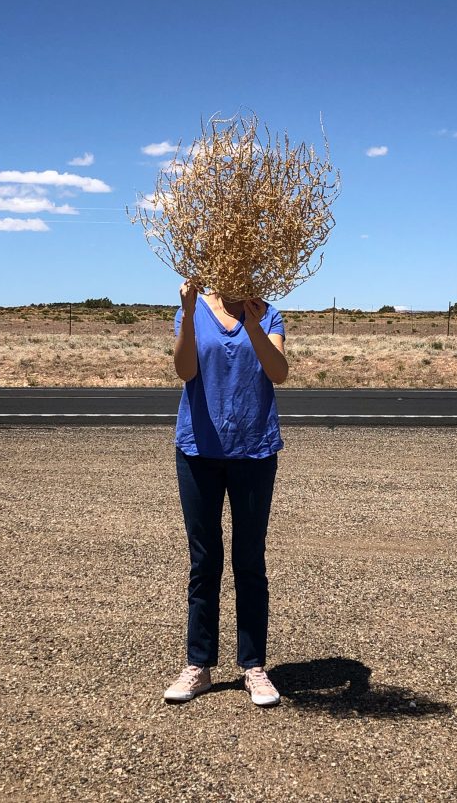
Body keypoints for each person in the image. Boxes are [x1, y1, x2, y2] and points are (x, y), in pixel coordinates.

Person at [163, 278, 289, 707]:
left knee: (249, 559)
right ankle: (198, 665)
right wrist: (186, 311)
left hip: (254, 450)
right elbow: (185, 371)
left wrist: (253, 324)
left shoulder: (267, 312)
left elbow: (279, 372)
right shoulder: (193, 309)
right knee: (204, 561)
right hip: (198, 451)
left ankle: (254, 666)